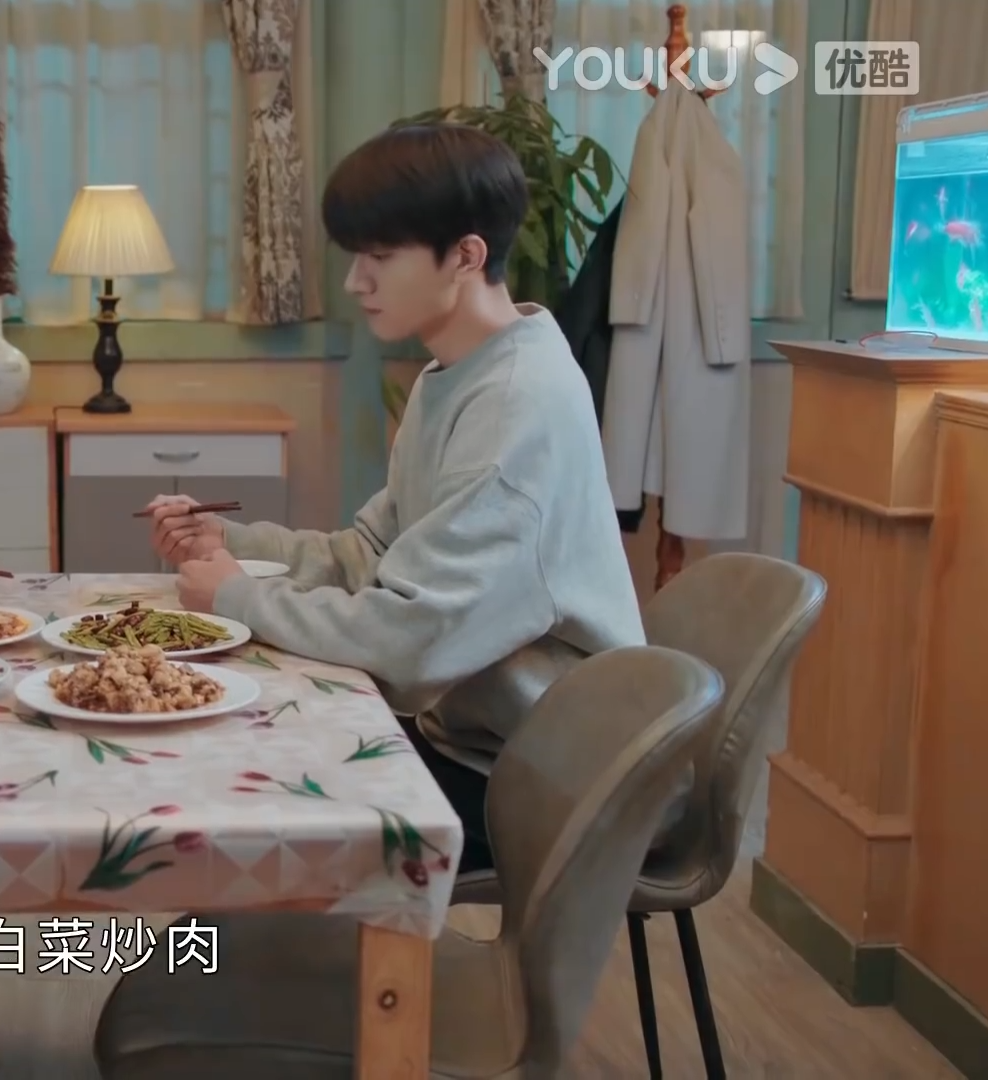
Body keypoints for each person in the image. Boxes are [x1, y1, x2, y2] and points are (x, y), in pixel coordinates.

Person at [148, 124, 645, 874]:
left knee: (242, 817)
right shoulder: (459, 372)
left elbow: (416, 639)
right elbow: (375, 553)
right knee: (227, 757)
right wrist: (236, 546)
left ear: (466, 256)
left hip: (540, 775)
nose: (356, 282)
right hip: (473, 736)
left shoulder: (518, 403)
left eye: (379, 257)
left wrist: (239, 598)